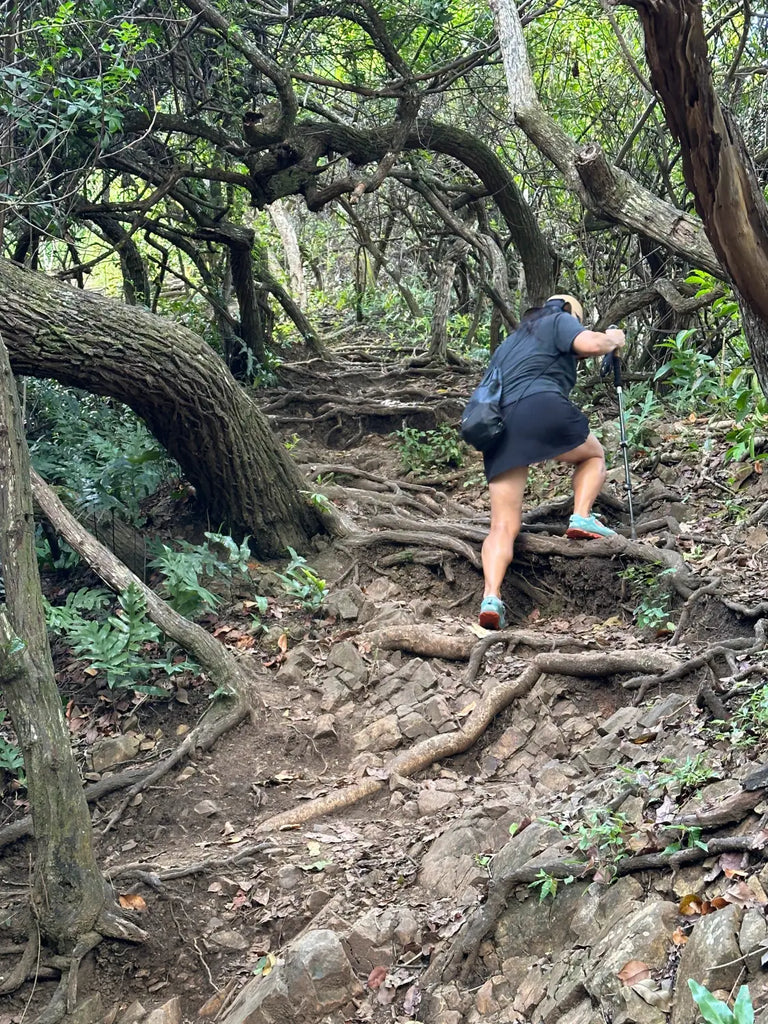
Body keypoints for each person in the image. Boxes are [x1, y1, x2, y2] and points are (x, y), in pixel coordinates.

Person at [478, 294, 625, 630]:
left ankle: (491, 596)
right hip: (540, 406)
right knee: (593, 454)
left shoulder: (513, 341)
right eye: (579, 317)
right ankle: (583, 516)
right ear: (569, 312)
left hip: (498, 425)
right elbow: (589, 343)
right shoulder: (558, 319)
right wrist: (613, 339)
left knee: (502, 526)